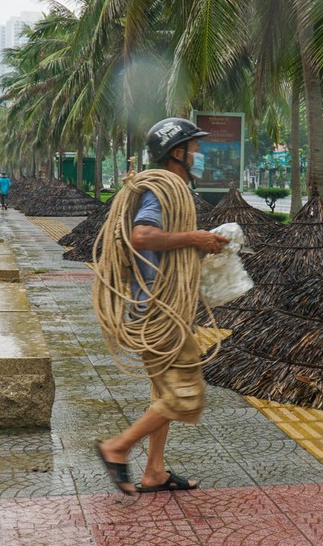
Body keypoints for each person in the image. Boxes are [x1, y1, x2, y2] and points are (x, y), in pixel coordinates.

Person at [95, 117, 228, 494]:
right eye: (196, 149)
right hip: (157, 310)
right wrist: (195, 238)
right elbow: (141, 236)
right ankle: (117, 448)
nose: (200, 155)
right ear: (177, 153)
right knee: (185, 396)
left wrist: (197, 244)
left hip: (160, 306)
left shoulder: (171, 189)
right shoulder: (159, 191)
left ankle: (154, 471)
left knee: (162, 394)